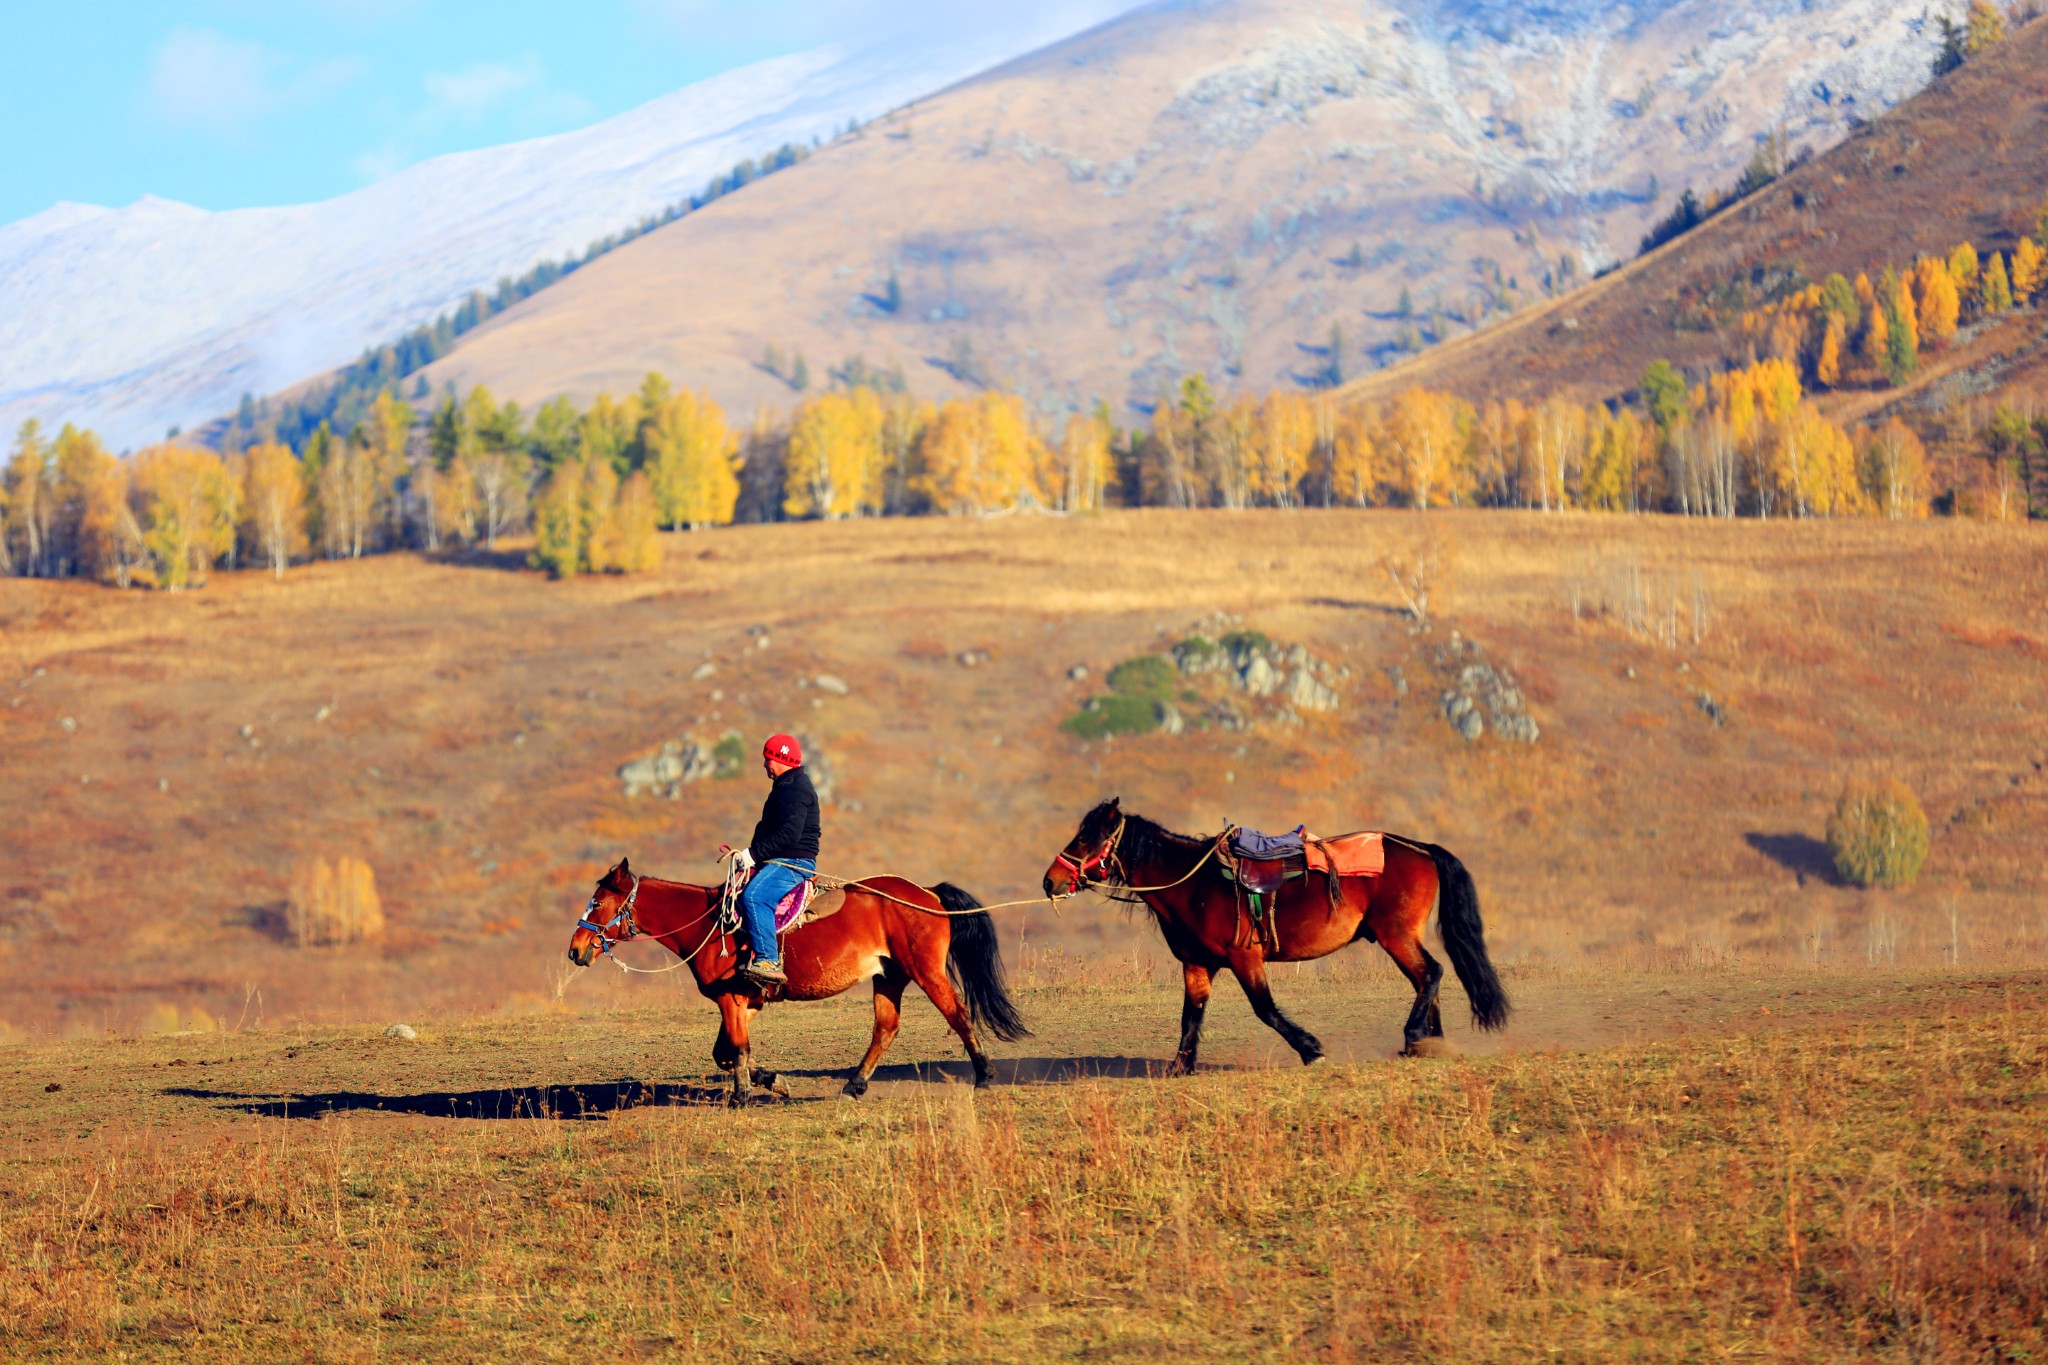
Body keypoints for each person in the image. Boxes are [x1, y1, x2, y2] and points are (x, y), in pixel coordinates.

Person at [728, 733, 819, 986]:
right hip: (781, 859)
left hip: (793, 862)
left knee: (754, 896)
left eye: (768, 759)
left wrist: (753, 854)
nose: (765, 765)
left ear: (780, 759)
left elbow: (790, 834)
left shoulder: (795, 789)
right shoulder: (786, 787)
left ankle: (768, 960)